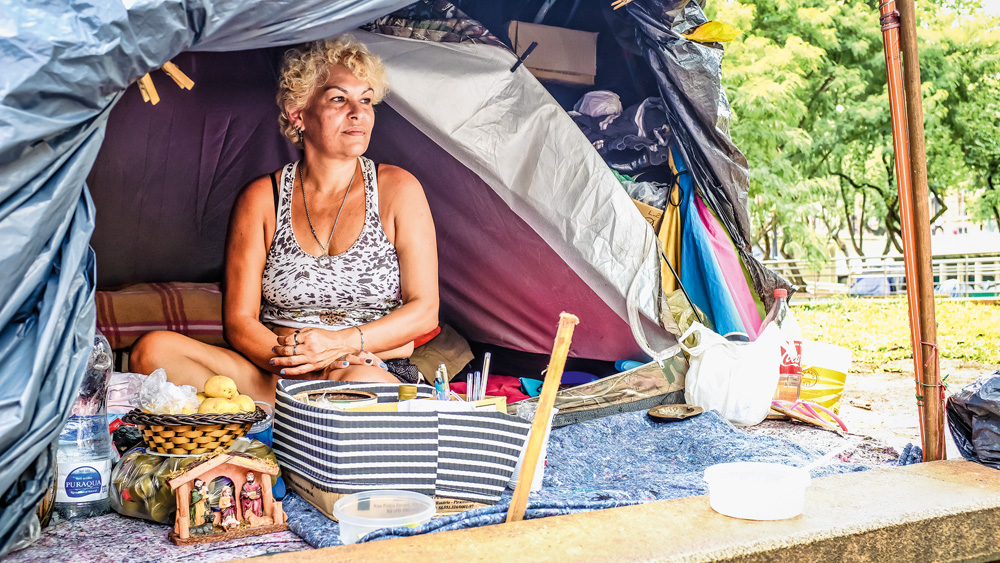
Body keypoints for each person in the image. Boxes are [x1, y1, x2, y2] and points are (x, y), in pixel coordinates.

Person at [130, 36, 439, 402]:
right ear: (299, 114)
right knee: (152, 351)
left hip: (367, 365)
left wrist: (338, 346)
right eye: (339, 99)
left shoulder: (398, 190)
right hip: (278, 371)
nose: (359, 112)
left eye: (366, 99)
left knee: (361, 388)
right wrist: (302, 361)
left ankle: (281, 416)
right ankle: (289, 409)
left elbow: (424, 311)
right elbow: (240, 322)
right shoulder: (262, 198)